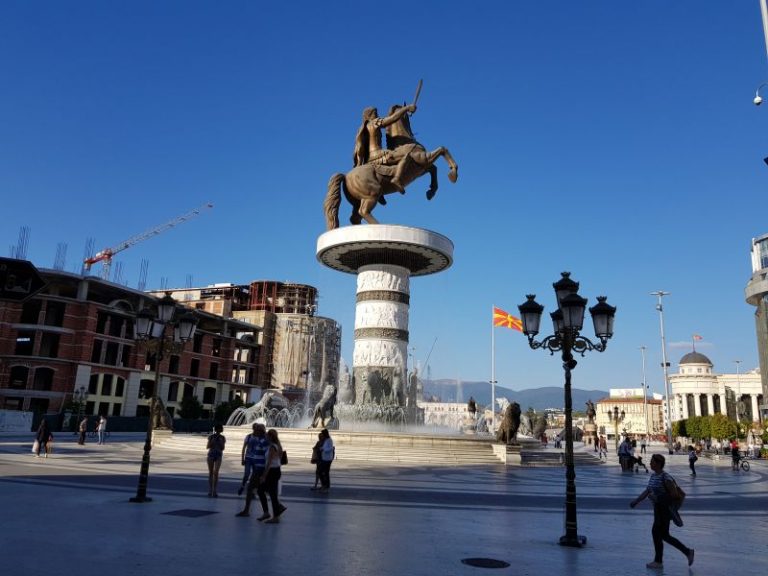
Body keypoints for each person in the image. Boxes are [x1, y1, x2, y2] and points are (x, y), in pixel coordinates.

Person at [630, 453, 695, 569]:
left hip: (664, 510)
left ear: (659, 464)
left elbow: (675, 495)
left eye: (652, 461)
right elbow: (648, 490)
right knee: (662, 535)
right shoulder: (654, 476)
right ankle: (685, 552)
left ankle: (660, 561)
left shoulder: (666, 478)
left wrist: (658, 498)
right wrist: (636, 501)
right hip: (658, 509)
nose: (650, 463)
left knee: (658, 533)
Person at [352, 104, 417, 192]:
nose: (377, 115)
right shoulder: (375, 122)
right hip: (379, 154)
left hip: (369, 159)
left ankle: (380, 191)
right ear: (370, 115)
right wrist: (406, 108)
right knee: (407, 156)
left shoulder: (364, 127)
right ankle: (396, 179)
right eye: (375, 113)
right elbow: (392, 119)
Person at [236, 424, 269, 517]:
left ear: (260, 432)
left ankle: (247, 511)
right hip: (256, 466)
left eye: (256, 430)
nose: (254, 431)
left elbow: (268, 457)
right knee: (262, 490)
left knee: (252, 489)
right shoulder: (258, 439)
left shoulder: (263, 441)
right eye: (254, 430)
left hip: (259, 469)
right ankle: (267, 511)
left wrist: (265, 473)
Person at [258, 429, 287, 523]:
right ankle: (273, 511)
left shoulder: (272, 447)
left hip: (272, 472)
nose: (266, 437)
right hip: (276, 470)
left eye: (267, 436)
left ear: (270, 437)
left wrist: (264, 476)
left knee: (265, 492)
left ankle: (275, 516)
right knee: (268, 492)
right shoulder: (278, 446)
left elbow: (269, 463)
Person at [206, 423, 226, 497]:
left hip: (218, 455)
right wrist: (212, 442)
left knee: (216, 472)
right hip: (211, 455)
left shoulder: (222, 437)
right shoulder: (211, 437)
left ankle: (215, 490)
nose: (222, 429)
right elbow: (207, 446)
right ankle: (210, 490)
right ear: (218, 429)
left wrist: (221, 442)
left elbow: (223, 448)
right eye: (221, 428)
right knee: (211, 472)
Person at [317, 428, 335, 492]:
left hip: (327, 459)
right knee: (323, 472)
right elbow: (326, 447)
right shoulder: (327, 440)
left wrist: (323, 449)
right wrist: (322, 448)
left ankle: (326, 486)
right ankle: (324, 485)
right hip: (325, 458)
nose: (322, 435)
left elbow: (330, 448)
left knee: (323, 472)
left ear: (325, 434)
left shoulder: (329, 440)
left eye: (323, 434)